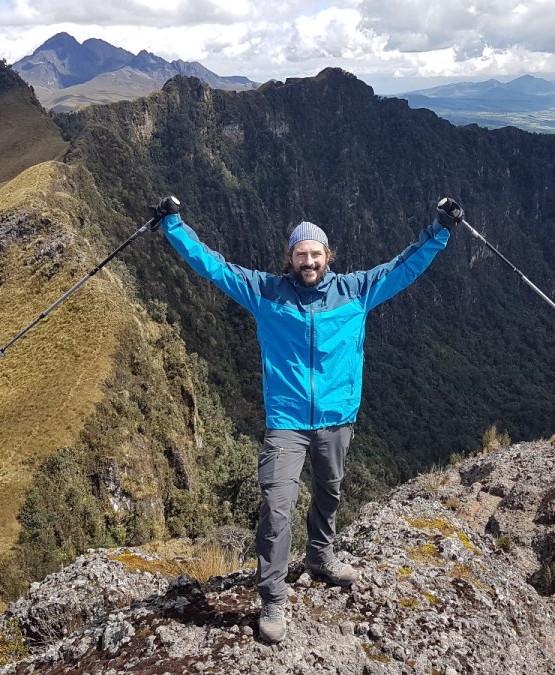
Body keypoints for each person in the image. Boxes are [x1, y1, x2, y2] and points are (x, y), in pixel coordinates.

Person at [153, 195, 465, 643]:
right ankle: (274, 599)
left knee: (330, 490)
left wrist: (440, 230)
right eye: (301, 254)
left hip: (337, 418)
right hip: (286, 420)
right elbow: (213, 266)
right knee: (278, 507)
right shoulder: (265, 292)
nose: (309, 261)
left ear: (327, 256)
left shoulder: (356, 291)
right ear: (291, 258)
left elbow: (404, 266)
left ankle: (319, 557)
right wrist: (174, 226)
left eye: (315, 254)